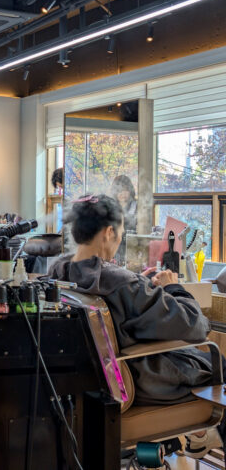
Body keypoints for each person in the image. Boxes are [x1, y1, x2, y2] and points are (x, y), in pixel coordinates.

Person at [48, 194, 223, 459]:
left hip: (90, 389)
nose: (118, 240)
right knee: (218, 361)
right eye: (119, 233)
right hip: (145, 380)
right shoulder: (122, 283)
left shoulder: (58, 272)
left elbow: (124, 299)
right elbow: (195, 326)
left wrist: (138, 287)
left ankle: (201, 437)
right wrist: (170, 287)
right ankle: (205, 435)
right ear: (108, 232)